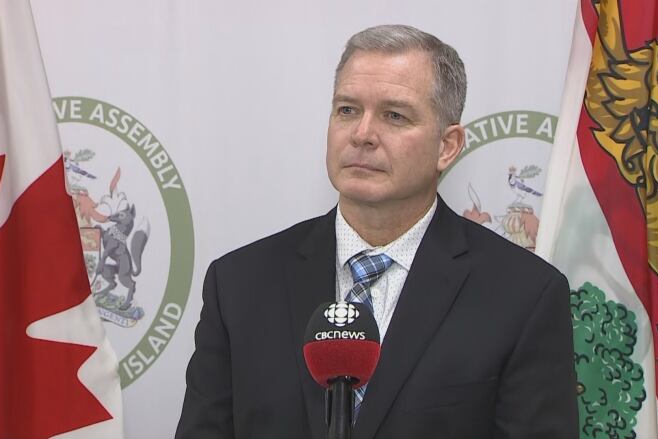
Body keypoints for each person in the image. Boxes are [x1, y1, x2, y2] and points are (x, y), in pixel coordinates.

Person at [176, 24, 578, 439]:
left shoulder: (524, 295)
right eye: (347, 110)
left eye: (394, 116)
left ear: (447, 146)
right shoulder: (239, 284)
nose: (362, 134)